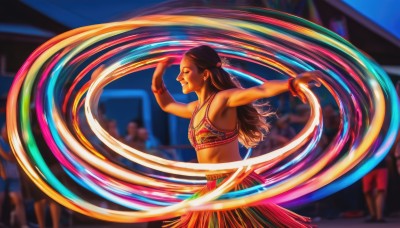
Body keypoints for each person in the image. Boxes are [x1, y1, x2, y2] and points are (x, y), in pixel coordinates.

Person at [151, 45, 320, 227]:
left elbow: (261, 90)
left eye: (185, 71)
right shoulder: (195, 108)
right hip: (211, 188)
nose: (179, 78)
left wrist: (292, 83)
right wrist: (159, 70)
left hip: (233, 187)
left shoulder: (222, 99)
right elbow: (166, 104)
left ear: (205, 74)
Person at [0, 124, 28, 228]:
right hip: (2, 175)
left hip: (14, 175)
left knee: (18, 199)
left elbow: (15, 158)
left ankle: (23, 225)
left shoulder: (15, 141)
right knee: (0, 198)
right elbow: (8, 157)